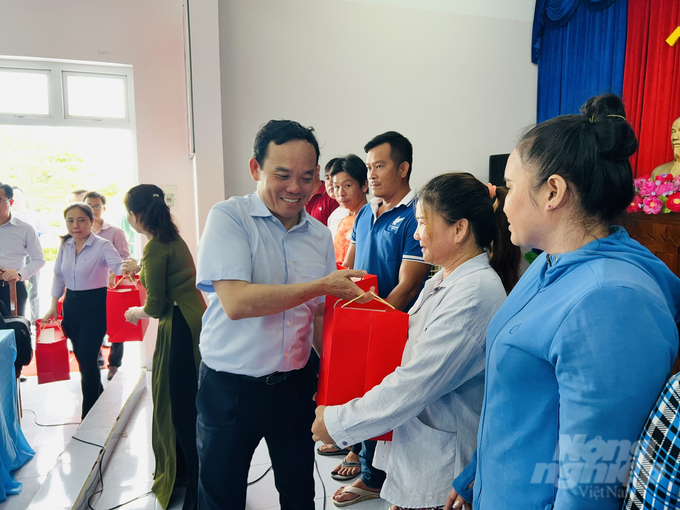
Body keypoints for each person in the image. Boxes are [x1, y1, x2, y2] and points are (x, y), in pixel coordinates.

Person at [445, 94, 680, 510]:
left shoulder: (609, 302)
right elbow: (522, 402)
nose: (501, 200)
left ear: (553, 191)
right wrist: (478, 475)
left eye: (511, 186)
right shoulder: (549, 262)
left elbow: (596, 477)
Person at [312, 173, 520, 508]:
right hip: (420, 446)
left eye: (423, 223)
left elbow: (416, 382)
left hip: (444, 469)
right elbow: (406, 348)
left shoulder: (475, 293)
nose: (416, 233)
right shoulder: (446, 278)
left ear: (459, 229)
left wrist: (339, 422)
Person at [194, 119, 368, 510]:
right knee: (221, 495)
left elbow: (320, 316)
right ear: (256, 169)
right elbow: (237, 302)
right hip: (231, 388)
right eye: (283, 174)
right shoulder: (229, 218)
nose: (296, 188)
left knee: (299, 491)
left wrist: (333, 385)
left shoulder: (319, 235)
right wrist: (321, 286)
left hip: (295, 386)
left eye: (307, 177)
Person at [334, 131, 431, 505]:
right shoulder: (363, 214)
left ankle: (375, 478)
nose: (371, 174)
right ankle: (363, 462)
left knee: (384, 401)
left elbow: (407, 287)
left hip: (393, 328)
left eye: (380, 166)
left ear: (403, 167)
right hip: (361, 323)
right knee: (358, 393)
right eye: (370, 166)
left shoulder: (414, 216)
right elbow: (350, 268)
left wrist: (374, 323)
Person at [121, 184, 205, 510]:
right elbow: (170, 279)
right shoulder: (174, 239)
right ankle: (190, 473)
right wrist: (139, 270)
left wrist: (133, 312)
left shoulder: (155, 248)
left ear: (135, 215)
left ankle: (195, 491)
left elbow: (155, 306)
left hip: (178, 327)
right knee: (189, 403)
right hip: (193, 319)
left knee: (180, 406)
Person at [43, 203, 125, 418]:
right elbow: (58, 276)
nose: (75, 225)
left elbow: (118, 267)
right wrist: (53, 306)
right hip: (71, 306)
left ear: (91, 221)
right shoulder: (66, 245)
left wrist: (131, 267)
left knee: (88, 359)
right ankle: (99, 403)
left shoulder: (103, 245)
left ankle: (88, 415)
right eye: (70, 220)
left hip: (96, 306)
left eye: (81, 220)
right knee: (83, 360)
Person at [84, 191, 131, 380]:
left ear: (103, 208)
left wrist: (113, 272)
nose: (93, 210)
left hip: (112, 288)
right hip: (88, 288)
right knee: (92, 328)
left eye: (96, 206)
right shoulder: (80, 231)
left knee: (117, 328)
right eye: (89, 206)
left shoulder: (115, 232)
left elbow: (125, 258)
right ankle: (98, 363)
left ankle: (115, 364)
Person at [0, 183, 45, 318]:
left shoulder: (25, 228)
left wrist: (19, 274)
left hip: (12, 287)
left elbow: (38, 259)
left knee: (14, 330)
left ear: (11, 202)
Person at [10, 186, 50, 323]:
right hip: (14, 261)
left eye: (19, 197)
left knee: (35, 290)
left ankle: (34, 321)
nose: (16, 200)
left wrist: (35, 244)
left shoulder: (32, 217)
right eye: (14, 197)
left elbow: (45, 233)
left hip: (31, 257)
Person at [330, 155, 368, 264]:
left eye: (347, 185)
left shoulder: (370, 219)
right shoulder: (342, 220)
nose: (341, 193)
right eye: (337, 187)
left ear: (364, 185)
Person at [304, 156, 339, 225]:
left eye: (308, 169)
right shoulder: (297, 196)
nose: (304, 174)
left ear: (317, 169)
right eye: (328, 178)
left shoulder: (333, 196)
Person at [325, 158, 349, 239]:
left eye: (347, 185)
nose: (330, 183)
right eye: (327, 178)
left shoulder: (365, 213)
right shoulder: (333, 215)